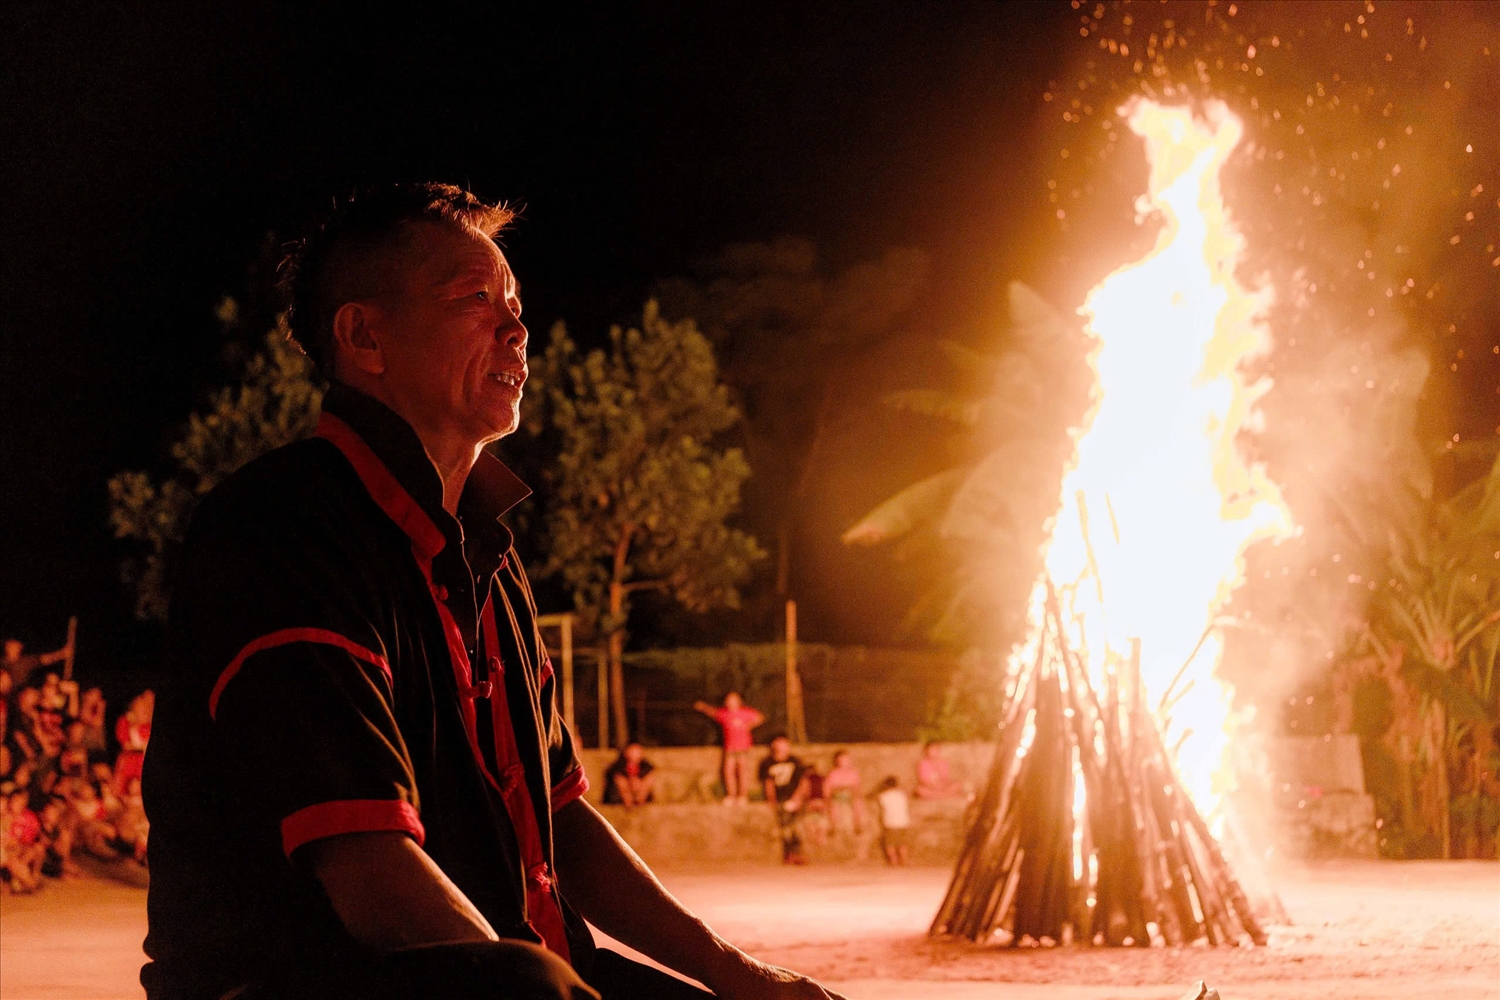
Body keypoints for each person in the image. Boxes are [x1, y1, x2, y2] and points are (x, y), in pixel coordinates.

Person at [141, 184, 845, 1000]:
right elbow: (367, 862)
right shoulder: (284, 527)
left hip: (513, 970)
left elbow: (561, 821)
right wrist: (532, 985)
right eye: (475, 299)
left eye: (515, 304)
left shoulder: (488, 554)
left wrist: (742, 976)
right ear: (365, 336)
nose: (516, 328)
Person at [692, 692, 764, 805]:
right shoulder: (724, 714)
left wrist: (749, 726)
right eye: (728, 700)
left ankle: (743, 796)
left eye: (733, 700)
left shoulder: (745, 712)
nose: (730, 702)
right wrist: (703, 707)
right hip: (729, 747)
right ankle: (731, 795)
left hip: (743, 747)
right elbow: (713, 712)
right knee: (728, 772)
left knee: (742, 772)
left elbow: (759, 718)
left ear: (739, 701)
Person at [757, 735, 809, 865]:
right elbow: (768, 783)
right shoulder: (767, 763)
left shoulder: (795, 761)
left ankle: (798, 853)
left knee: (797, 826)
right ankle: (790, 854)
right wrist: (772, 800)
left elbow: (803, 782)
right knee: (786, 827)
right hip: (781, 799)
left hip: (795, 798)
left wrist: (798, 797)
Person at [821, 750, 865, 837]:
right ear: (837, 761)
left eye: (846, 760)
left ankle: (858, 824)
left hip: (850, 795)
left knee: (857, 803)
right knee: (833, 806)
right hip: (837, 796)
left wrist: (854, 792)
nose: (844, 762)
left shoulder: (853, 773)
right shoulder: (833, 773)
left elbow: (857, 786)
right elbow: (827, 787)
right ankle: (833, 826)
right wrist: (829, 795)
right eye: (842, 760)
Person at [602, 743, 656, 809]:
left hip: (639, 792)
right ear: (626, 752)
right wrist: (630, 781)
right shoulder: (617, 767)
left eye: (638, 752)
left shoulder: (646, 767)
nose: (635, 754)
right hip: (620, 796)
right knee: (622, 781)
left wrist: (638, 783)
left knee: (647, 779)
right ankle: (629, 803)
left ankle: (639, 801)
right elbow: (618, 781)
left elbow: (647, 779)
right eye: (633, 751)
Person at [872, 777, 911, 866]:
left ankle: (893, 861)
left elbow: (872, 796)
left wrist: (878, 789)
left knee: (890, 844)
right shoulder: (902, 795)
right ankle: (904, 861)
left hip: (890, 823)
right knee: (902, 843)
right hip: (904, 822)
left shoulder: (884, 796)